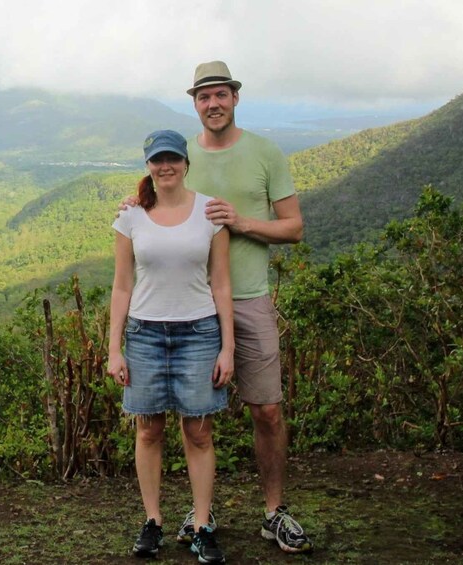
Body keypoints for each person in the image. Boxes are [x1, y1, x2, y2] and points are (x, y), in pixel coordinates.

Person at [120, 61, 313, 554]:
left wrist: (242, 221)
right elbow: (157, 199)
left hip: (246, 297)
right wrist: (134, 206)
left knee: (266, 409)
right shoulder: (183, 156)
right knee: (196, 418)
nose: (213, 104)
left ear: (235, 98)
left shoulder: (265, 152)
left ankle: (273, 511)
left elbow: (293, 227)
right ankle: (200, 513)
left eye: (221, 94)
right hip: (189, 310)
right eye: (204, 96)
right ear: (195, 103)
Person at [108, 129, 234, 563]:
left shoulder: (209, 213)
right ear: (148, 165)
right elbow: (122, 286)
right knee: (148, 430)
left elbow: (221, 283)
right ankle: (153, 520)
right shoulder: (131, 217)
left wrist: (228, 348)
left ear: (185, 163)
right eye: (157, 160)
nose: (166, 167)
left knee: (198, 433)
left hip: (199, 334)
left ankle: (202, 525)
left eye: (173, 159)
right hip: (144, 334)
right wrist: (114, 348)